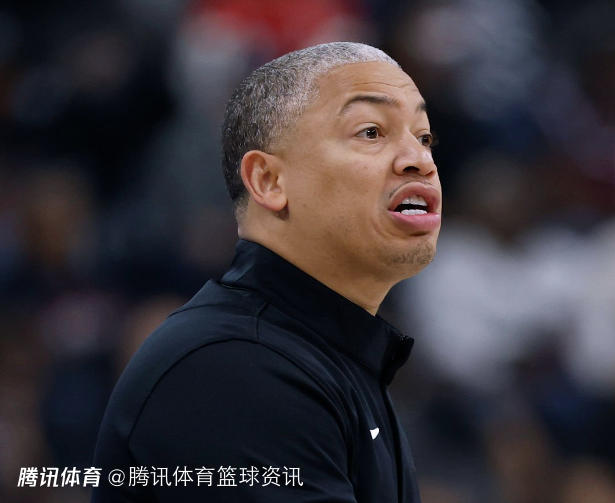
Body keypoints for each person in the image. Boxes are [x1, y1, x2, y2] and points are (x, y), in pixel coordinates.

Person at [91, 42, 441, 502]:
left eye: (424, 137)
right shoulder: (232, 368)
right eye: (371, 131)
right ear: (269, 181)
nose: (420, 160)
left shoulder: (329, 357)